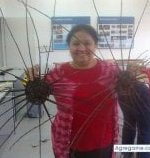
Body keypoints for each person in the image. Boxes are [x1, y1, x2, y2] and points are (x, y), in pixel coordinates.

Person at [27, 24, 120, 158]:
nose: (82, 48)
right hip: (68, 144)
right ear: (69, 46)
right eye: (76, 43)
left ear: (96, 45)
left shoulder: (110, 71)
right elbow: (37, 96)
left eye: (87, 43)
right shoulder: (58, 73)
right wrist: (31, 85)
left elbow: (127, 92)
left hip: (105, 142)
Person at [117, 63, 150, 158]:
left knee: (128, 127)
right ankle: (142, 155)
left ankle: (127, 154)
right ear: (136, 72)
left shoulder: (119, 88)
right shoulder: (142, 88)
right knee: (145, 131)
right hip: (143, 112)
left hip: (128, 110)